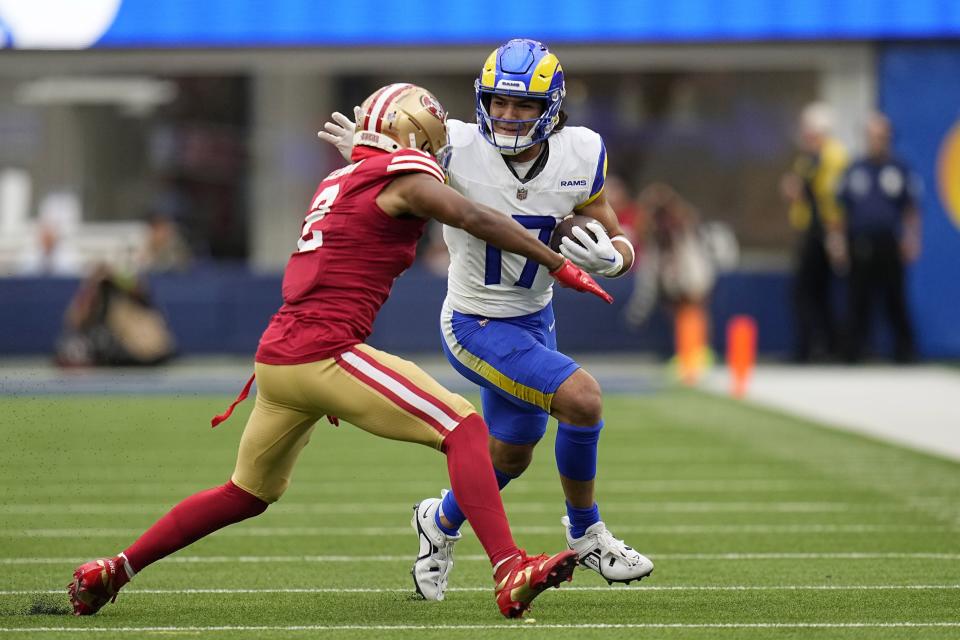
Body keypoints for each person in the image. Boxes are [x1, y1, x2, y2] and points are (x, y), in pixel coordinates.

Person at [68, 83, 614, 620]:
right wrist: (558, 263)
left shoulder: (341, 176)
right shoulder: (403, 175)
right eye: (427, 143)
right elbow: (474, 216)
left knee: (244, 493)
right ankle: (509, 568)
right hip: (325, 352)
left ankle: (115, 569)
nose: (434, 154)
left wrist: (376, 150)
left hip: (278, 357)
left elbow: (394, 190)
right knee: (464, 428)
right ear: (413, 140)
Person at [320, 39, 654, 601]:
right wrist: (371, 149)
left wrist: (617, 256)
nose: (507, 114)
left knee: (513, 451)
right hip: (474, 321)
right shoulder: (451, 145)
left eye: (524, 105)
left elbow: (609, 225)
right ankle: (586, 532)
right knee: (583, 400)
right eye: (498, 102)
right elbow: (385, 172)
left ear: (552, 107)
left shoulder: (581, 151)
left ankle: (439, 520)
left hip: (535, 317)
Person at [838, 112, 921, 363]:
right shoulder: (855, 169)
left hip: (889, 242)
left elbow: (911, 208)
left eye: (881, 136)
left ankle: (905, 351)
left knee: (895, 298)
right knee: (858, 298)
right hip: (860, 241)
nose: (877, 141)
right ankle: (854, 351)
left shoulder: (899, 169)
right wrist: (839, 242)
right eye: (873, 136)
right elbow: (842, 209)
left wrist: (912, 238)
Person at [780, 102, 849, 363]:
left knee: (815, 292)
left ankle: (825, 347)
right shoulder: (808, 157)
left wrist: (836, 236)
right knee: (810, 293)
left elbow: (832, 198)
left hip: (826, 232)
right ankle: (812, 347)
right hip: (810, 230)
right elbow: (799, 192)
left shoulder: (833, 156)